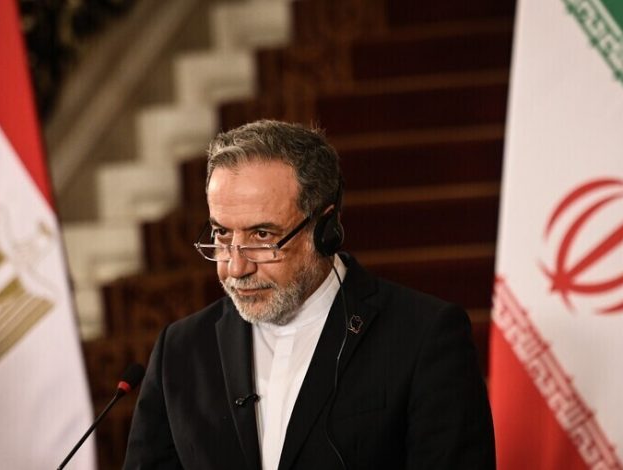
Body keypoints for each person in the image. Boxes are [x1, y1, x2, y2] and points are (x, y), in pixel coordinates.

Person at [124, 120, 495, 469]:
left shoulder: (423, 337)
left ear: (326, 229)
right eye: (222, 235)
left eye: (262, 236)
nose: (235, 268)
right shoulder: (180, 348)